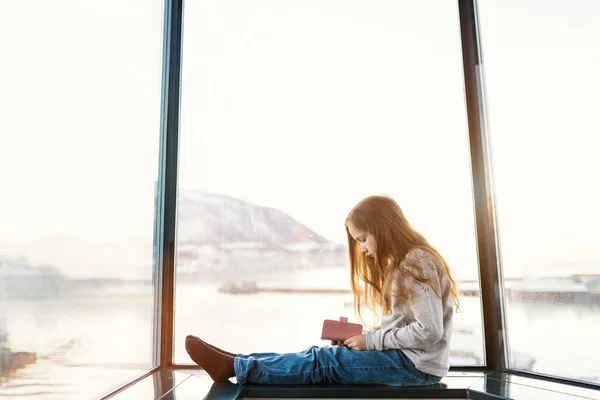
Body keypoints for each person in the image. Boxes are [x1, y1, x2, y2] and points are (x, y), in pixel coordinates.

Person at [185, 194, 460, 386]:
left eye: (363, 239)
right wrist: (363, 339)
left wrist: (370, 341)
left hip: (415, 367)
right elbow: (410, 327)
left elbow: (429, 331)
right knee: (315, 355)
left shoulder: (416, 260)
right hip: (407, 360)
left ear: (383, 228)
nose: (362, 249)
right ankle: (238, 361)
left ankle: (234, 367)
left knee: (324, 361)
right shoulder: (409, 261)